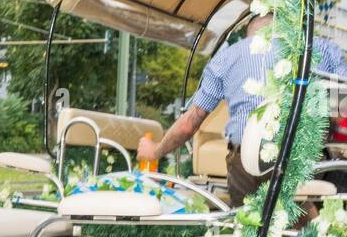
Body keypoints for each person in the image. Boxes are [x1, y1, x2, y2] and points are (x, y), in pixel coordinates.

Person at [136, 14, 347, 208]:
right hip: (303, 160)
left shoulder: (226, 57)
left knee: (250, 228)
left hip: (245, 162)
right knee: (303, 227)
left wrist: (153, 151)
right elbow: (342, 108)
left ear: (250, 33)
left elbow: (189, 123)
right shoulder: (322, 48)